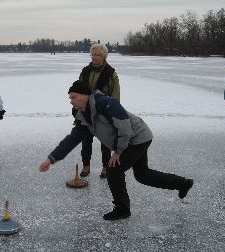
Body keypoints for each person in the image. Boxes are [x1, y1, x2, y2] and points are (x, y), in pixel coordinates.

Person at [39, 80, 193, 221]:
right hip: (132, 139)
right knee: (142, 175)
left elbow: (125, 127)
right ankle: (182, 184)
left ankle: (122, 209)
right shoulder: (84, 116)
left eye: (73, 97)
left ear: (85, 95)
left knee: (113, 169)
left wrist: (118, 151)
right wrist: (51, 158)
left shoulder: (105, 103)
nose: (71, 101)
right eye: (70, 98)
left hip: (137, 137)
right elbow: (72, 139)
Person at [73, 43, 120, 179]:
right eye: (92, 54)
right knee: (86, 141)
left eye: (97, 55)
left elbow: (115, 95)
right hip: (86, 112)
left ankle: (105, 168)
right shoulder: (85, 71)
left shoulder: (111, 73)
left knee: (105, 143)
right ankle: (86, 167)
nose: (94, 57)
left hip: (103, 113)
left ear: (104, 56)